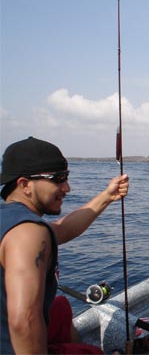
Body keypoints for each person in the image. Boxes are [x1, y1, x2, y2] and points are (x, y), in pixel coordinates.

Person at [0, 136, 129, 354]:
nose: (67, 187)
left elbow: (62, 229)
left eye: (66, 177)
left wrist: (107, 196)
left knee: (59, 308)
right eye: (57, 178)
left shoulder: (14, 221)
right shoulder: (29, 233)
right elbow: (24, 321)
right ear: (24, 184)